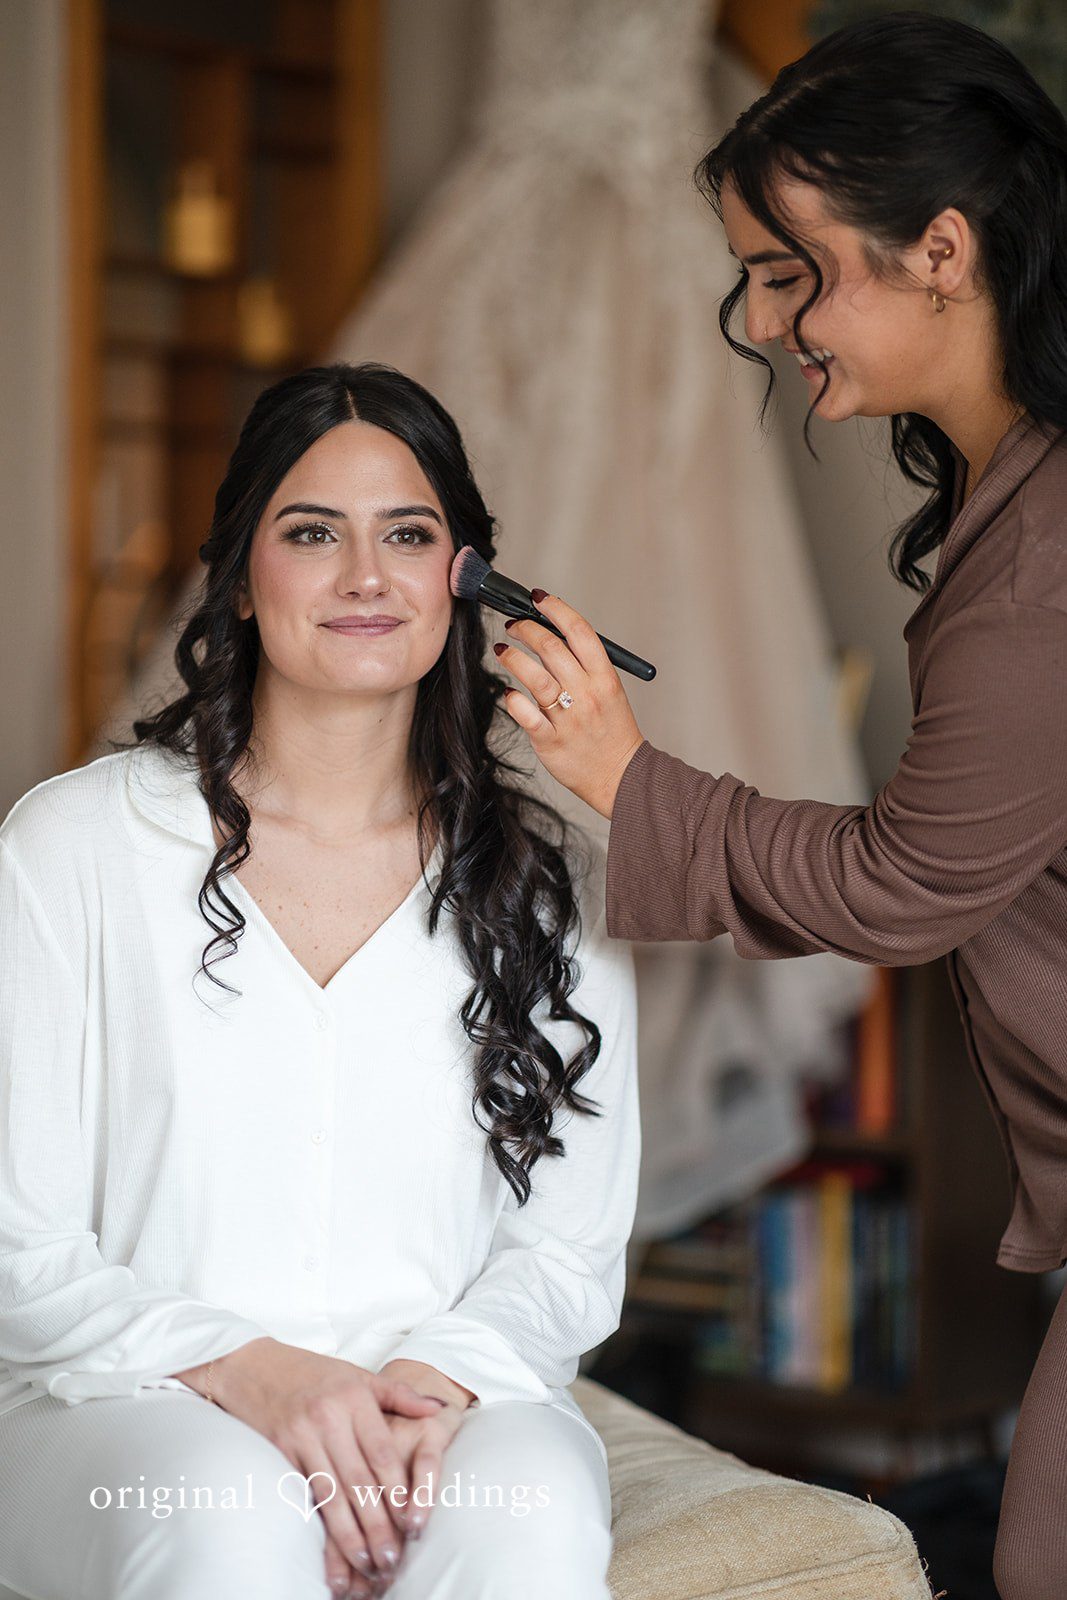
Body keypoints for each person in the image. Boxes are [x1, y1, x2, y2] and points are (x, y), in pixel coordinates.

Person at [489, 14, 1067, 1600]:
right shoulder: (1003, 502)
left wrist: (624, 777)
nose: (754, 322)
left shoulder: (1038, 560)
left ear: (939, 249)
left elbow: (904, 884)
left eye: (787, 272)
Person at [0, 362, 639, 1600]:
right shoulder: (66, 850)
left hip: (450, 1400)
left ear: (462, 580)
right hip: (124, 1406)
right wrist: (264, 1375)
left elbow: (566, 1252)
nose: (364, 577)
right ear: (241, 579)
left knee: (531, 1515)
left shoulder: (556, 884)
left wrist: (417, 1396)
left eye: (408, 535)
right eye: (311, 534)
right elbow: (14, 1239)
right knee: (231, 1511)